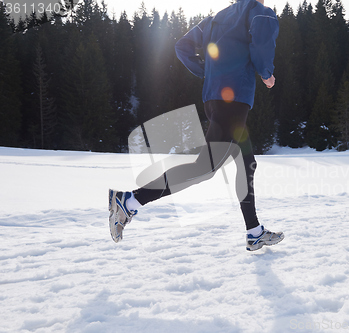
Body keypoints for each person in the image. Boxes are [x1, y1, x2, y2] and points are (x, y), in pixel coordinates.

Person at [108, 0, 284, 251]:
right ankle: (130, 201)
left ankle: (254, 232)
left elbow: (183, 46)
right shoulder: (259, 13)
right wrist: (266, 74)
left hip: (213, 99)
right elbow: (261, 47)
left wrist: (206, 71)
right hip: (232, 101)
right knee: (204, 168)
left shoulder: (214, 19)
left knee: (247, 163)